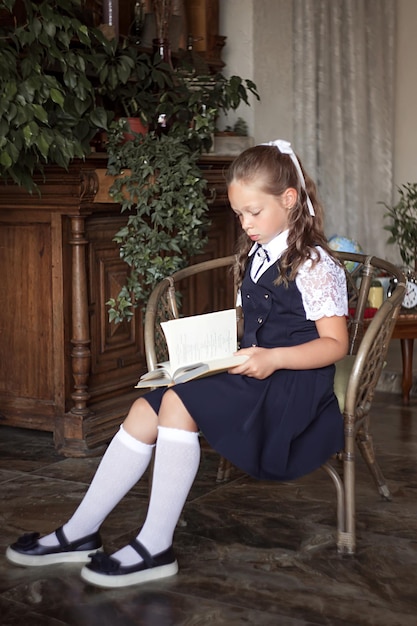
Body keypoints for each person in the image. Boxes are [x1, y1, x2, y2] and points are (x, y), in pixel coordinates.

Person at [6, 139, 349, 589]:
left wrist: (273, 358)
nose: (245, 224)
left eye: (253, 212)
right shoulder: (260, 252)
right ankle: (79, 531)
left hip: (291, 389)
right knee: (144, 408)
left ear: (288, 200)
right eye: (239, 214)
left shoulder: (316, 264)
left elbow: (335, 345)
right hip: (256, 372)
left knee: (176, 405)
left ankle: (155, 545)